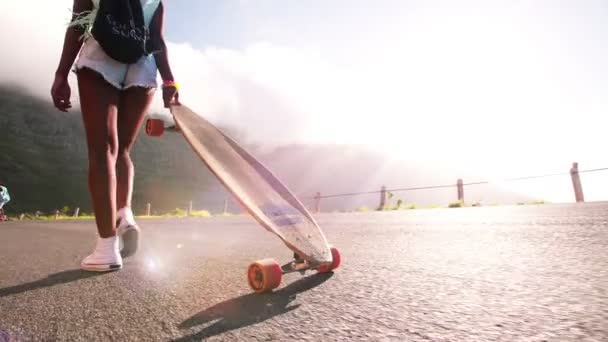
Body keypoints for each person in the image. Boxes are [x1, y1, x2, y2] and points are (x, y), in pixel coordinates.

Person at [51, 0, 180, 271]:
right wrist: (169, 81)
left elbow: (79, 25)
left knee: (103, 152)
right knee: (121, 151)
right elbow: (157, 40)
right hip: (141, 65)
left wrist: (61, 74)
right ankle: (125, 214)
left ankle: (106, 249)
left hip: (100, 57)